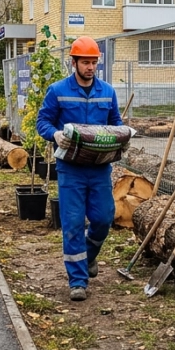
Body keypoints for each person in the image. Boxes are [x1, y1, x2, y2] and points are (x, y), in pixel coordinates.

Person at [36, 36, 120, 302]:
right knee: (72, 224)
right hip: (70, 169)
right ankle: (78, 281)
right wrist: (54, 134)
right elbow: (43, 122)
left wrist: (122, 137)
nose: (90, 67)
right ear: (73, 63)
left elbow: (116, 123)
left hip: (99, 168)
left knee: (104, 218)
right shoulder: (57, 90)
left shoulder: (107, 92)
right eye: (85, 62)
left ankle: (89, 254)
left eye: (94, 62)